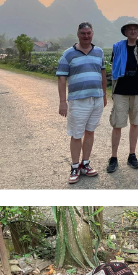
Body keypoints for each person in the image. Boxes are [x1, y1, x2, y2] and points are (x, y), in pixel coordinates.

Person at [56, 22, 106, 184]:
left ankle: (85, 164)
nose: (86, 36)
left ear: (93, 33)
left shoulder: (99, 52)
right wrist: (62, 101)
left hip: (96, 99)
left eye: (89, 33)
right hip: (78, 101)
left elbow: (103, 73)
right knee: (77, 134)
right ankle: (75, 166)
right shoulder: (68, 54)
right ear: (78, 34)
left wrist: (104, 95)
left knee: (90, 131)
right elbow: (62, 78)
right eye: (83, 33)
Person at [107, 22, 138, 173]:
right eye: (130, 29)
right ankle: (113, 157)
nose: (133, 31)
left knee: (135, 123)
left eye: (135, 29)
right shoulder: (118, 47)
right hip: (120, 89)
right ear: (125, 31)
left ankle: (132, 155)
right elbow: (114, 65)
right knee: (117, 124)